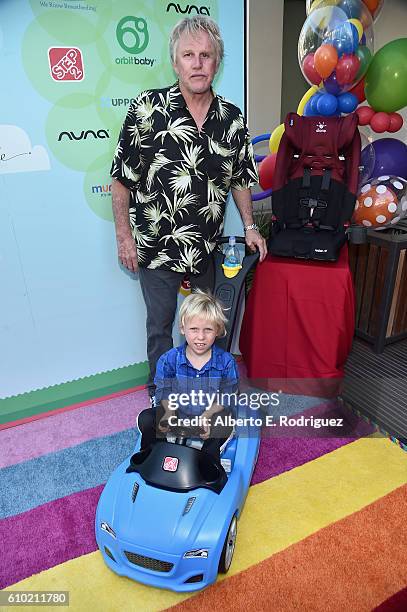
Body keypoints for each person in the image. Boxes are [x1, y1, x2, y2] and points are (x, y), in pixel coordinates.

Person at [111, 15, 267, 403]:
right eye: (189, 55)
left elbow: (241, 180)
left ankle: (206, 392)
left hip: (205, 249)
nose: (198, 63)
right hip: (155, 244)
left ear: (217, 62)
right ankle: (162, 396)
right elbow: (121, 179)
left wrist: (250, 226)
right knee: (160, 327)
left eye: (206, 55)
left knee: (206, 326)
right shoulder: (147, 109)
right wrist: (123, 237)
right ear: (175, 62)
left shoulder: (232, 119)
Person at [137, 290, 238, 461]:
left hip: (209, 417)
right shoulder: (169, 359)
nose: (200, 337)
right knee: (146, 418)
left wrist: (207, 416)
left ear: (218, 330)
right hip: (178, 416)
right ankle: (151, 457)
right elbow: (164, 390)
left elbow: (227, 396)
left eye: (208, 330)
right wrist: (168, 413)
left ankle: (207, 462)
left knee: (224, 423)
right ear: (183, 328)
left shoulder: (226, 362)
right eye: (194, 329)